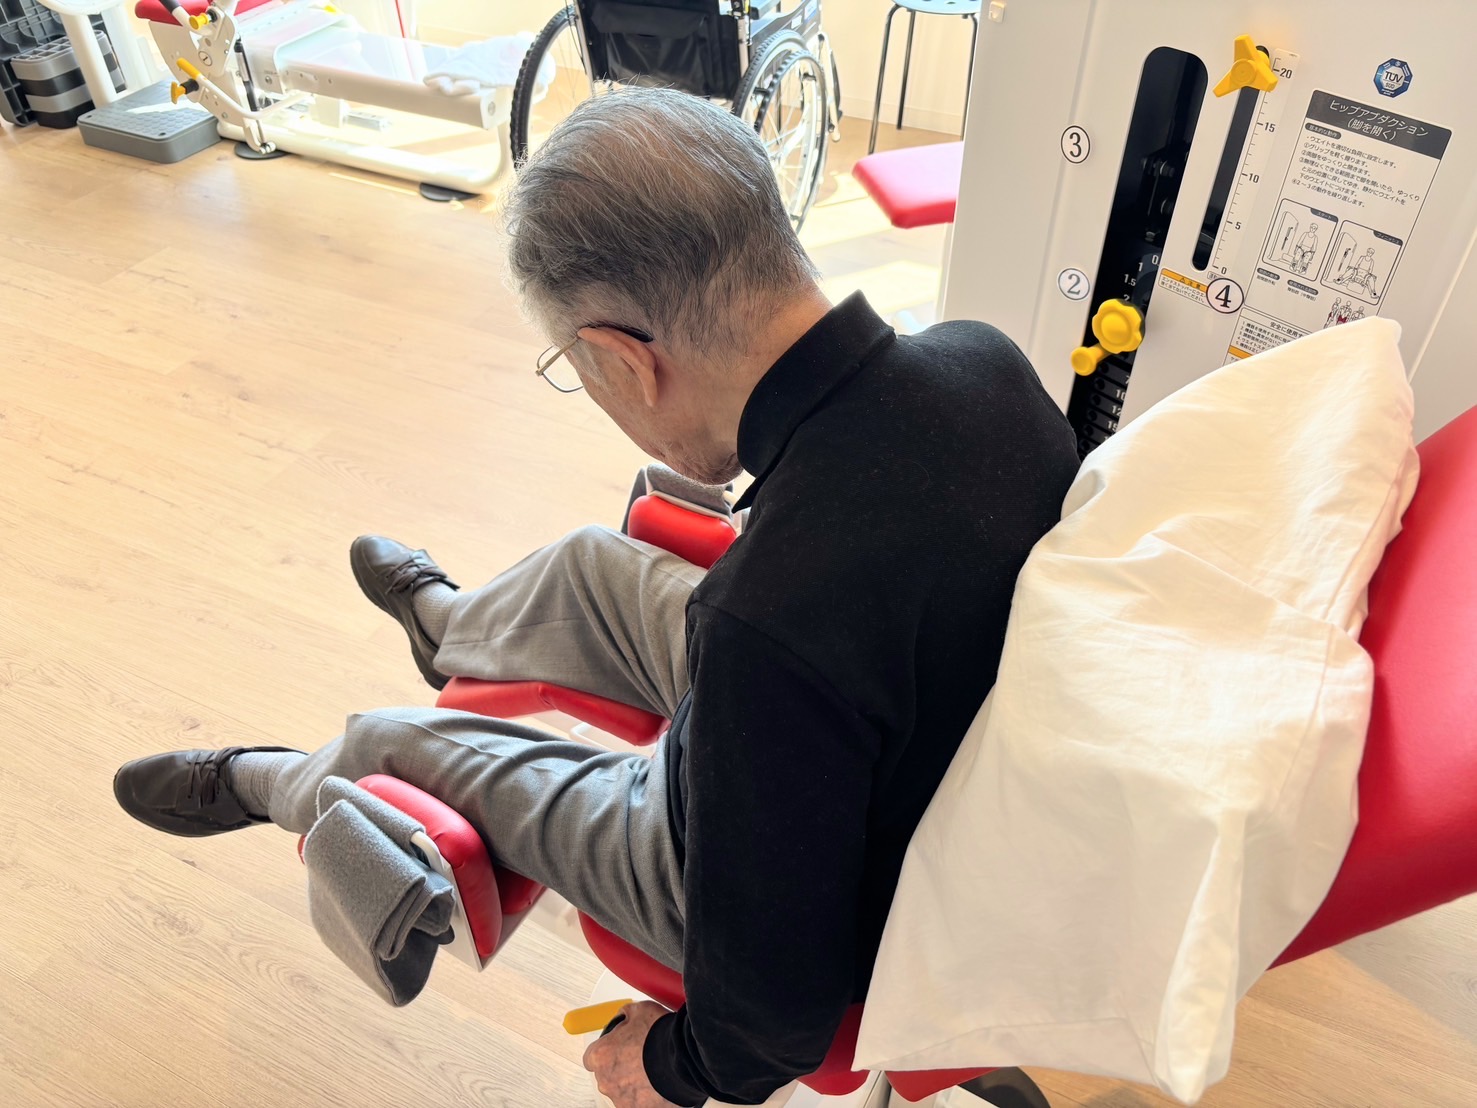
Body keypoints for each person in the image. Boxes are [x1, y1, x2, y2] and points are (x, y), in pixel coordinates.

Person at [113, 88, 1080, 1107]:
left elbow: (773, 1015)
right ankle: (451, 631)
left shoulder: (765, 621)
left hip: (828, 883)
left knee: (394, 742)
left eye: (579, 370)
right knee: (590, 562)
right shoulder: (983, 361)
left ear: (624, 357)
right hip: (924, 731)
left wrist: (667, 1066)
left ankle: (275, 782)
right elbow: (823, 618)